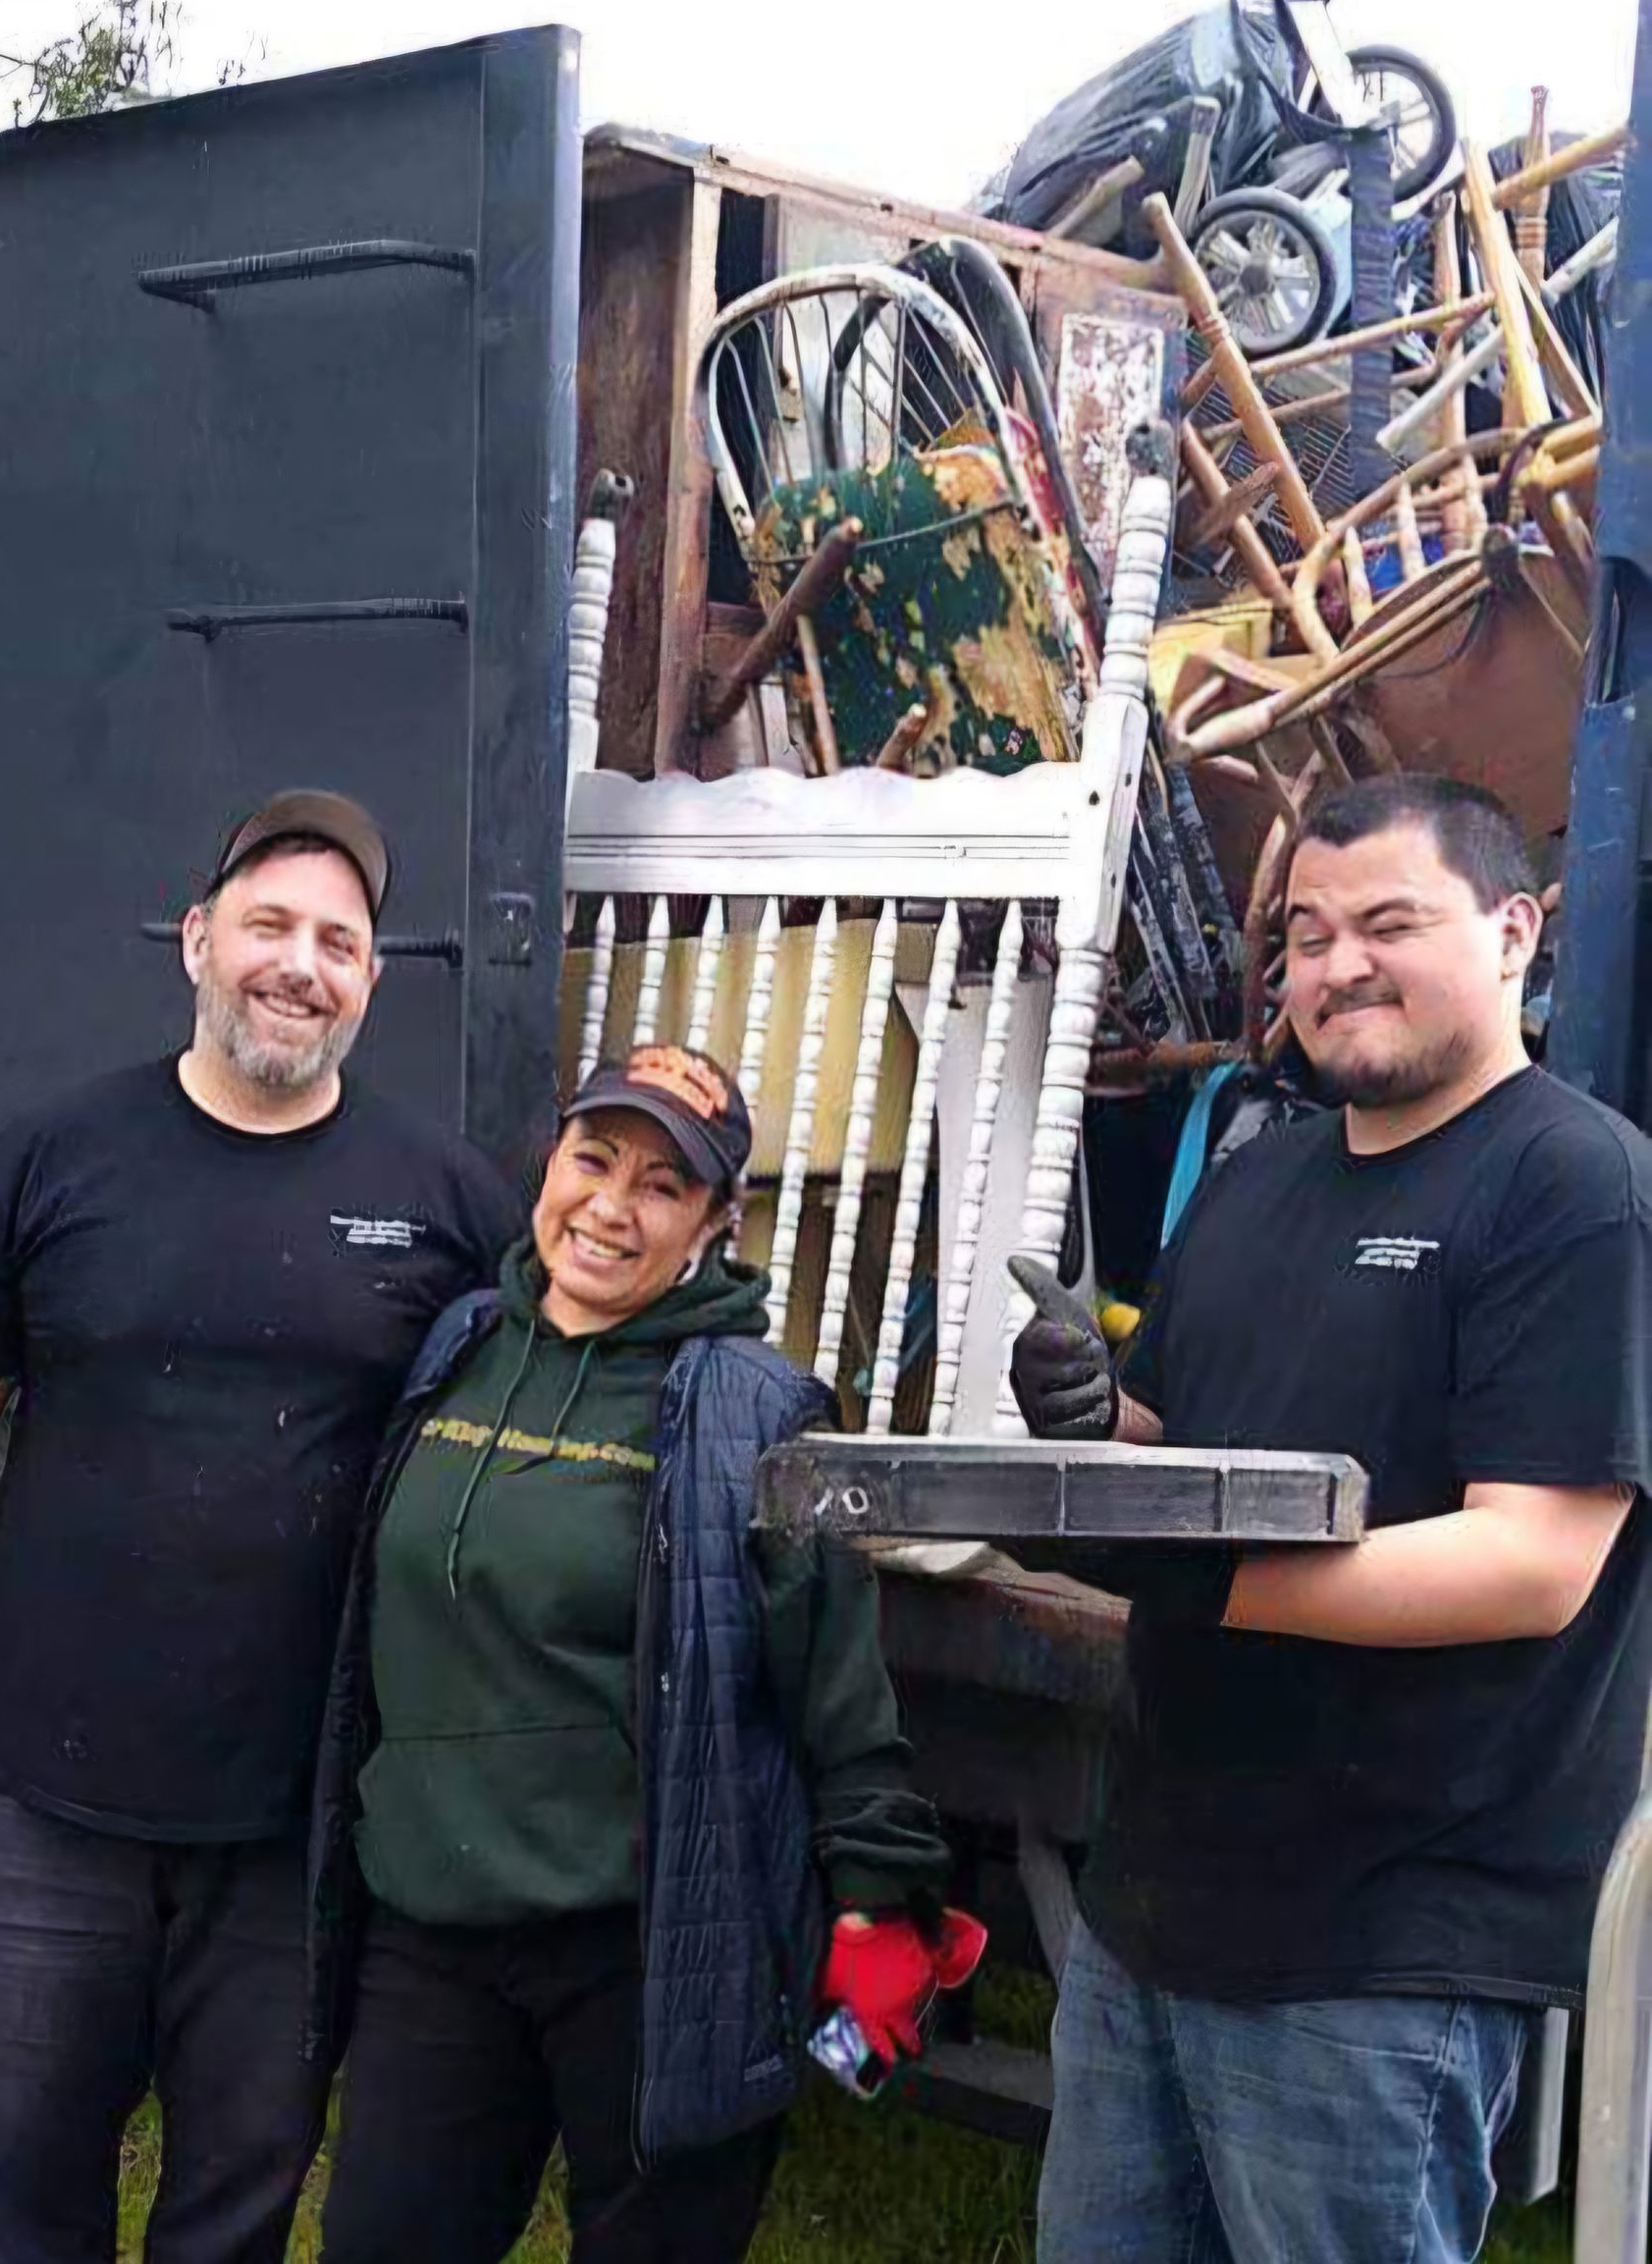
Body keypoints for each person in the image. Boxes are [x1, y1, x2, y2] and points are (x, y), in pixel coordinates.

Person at [0, 789, 518, 2264]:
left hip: (292, 1830)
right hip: (43, 1816)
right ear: (199, 941)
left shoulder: (442, 1202)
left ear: (370, 980)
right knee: (21, 2193)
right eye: (269, 925)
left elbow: (540, 1436)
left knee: (233, 2214)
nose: (299, 964)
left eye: (340, 940)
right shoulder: (54, 1159)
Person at [1007, 773, 1652, 2264]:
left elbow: (1531, 1562)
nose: (1337, 963)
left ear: (1513, 932)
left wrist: (1183, 1574)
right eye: (1306, 933)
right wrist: (1088, 1427)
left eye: (1388, 922)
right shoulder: (1256, 1178)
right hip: (1154, 1901)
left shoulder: (1578, 1191)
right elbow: (1175, 1445)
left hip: (1383, 1945)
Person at [309, 1041, 982, 2264]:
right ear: (549, 1162)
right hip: (433, 1931)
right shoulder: (456, 1344)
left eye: (665, 1185)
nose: (613, 1205)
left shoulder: (756, 1409)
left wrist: (882, 1902)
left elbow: (838, 1685)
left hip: (650, 1940)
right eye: (595, 1157)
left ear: (714, 1223)